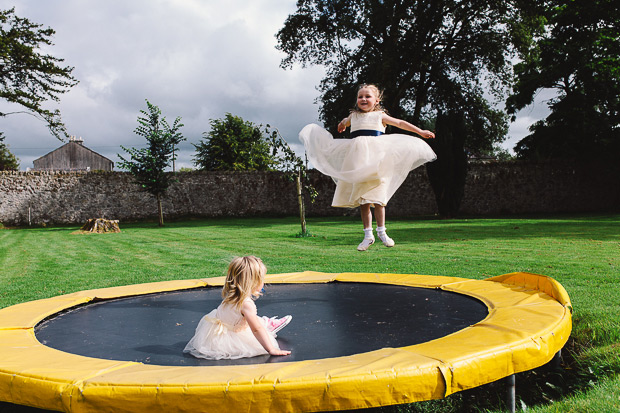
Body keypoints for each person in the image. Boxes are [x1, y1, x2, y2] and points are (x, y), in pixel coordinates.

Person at [299, 84, 437, 251]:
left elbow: (400, 122)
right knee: (363, 200)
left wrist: (420, 131)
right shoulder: (354, 116)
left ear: (377, 100)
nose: (363, 99)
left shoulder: (380, 116)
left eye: (367, 96)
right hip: (358, 162)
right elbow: (344, 122)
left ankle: (382, 232)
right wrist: (342, 125)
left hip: (377, 161)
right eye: (360, 97)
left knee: (378, 199)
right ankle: (368, 235)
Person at [183, 256, 292, 360]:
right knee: (257, 325)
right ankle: (267, 326)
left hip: (215, 330)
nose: (264, 282)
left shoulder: (232, 294)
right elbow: (256, 329)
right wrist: (271, 349)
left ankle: (265, 322)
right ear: (253, 282)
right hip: (228, 338)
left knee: (250, 318)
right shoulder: (246, 304)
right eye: (262, 279)